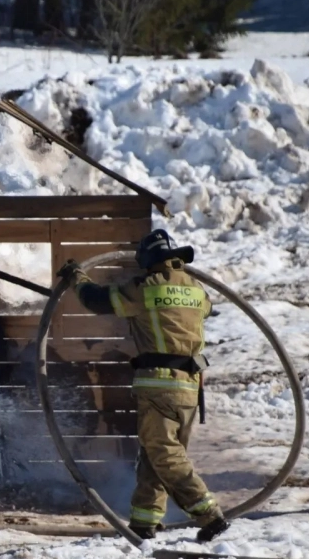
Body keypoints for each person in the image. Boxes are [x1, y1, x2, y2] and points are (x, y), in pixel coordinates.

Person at [57, 229, 229, 542]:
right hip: (191, 388)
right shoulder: (197, 290)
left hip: (160, 385)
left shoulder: (146, 288)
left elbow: (97, 301)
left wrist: (76, 276)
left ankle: (209, 514)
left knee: (164, 454)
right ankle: (144, 523)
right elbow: (201, 310)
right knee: (156, 455)